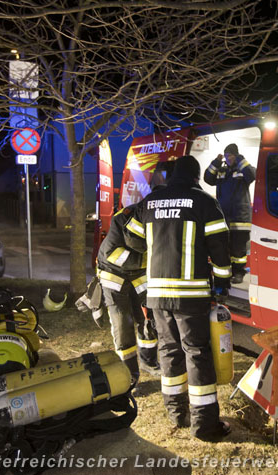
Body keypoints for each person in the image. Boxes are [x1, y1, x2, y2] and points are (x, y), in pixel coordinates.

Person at [124, 155, 232, 441]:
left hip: (157, 295)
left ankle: (176, 413)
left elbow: (132, 238)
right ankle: (205, 426)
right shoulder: (205, 202)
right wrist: (222, 280)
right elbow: (219, 246)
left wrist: (157, 237)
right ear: (196, 177)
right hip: (191, 295)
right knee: (196, 353)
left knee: (169, 352)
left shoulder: (150, 202)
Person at [97, 195, 160, 382]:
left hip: (139, 273)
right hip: (113, 275)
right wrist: (147, 261)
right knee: (122, 324)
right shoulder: (123, 217)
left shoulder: (159, 217)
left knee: (149, 316)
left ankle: (149, 363)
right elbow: (113, 254)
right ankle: (129, 375)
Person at [203, 143, 255, 284]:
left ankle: (238, 272)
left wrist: (239, 159)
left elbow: (252, 175)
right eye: (226, 156)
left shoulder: (243, 169)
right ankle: (225, 273)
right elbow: (208, 178)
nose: (228, 158)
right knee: (223, 246)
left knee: (239, 249)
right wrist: (217, 161)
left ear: (236, 155)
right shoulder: (222, 171)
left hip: (240, 217)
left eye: (230, 155)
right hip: (224, 216)